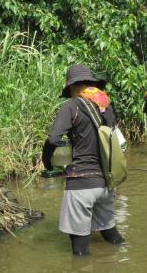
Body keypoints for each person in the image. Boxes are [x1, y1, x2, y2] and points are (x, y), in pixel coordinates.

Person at [42, 65, 124, 256]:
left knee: (80, 250)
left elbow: (53, 139)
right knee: (111, 235)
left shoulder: (71, 107)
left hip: (81, 183)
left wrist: (47, 162)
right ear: (91, 84)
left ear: (71, 87)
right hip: (105, 183)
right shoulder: (106, 106)